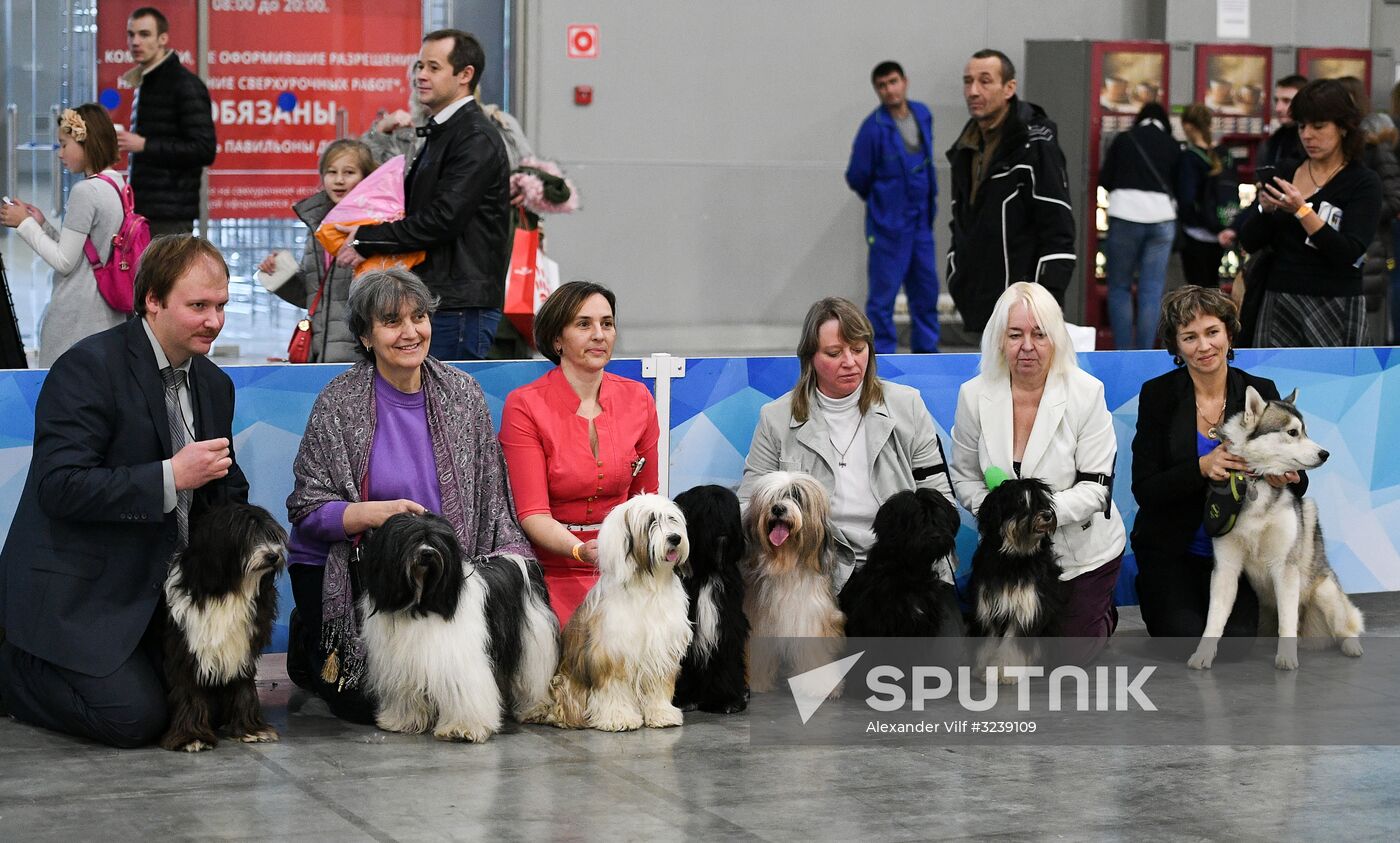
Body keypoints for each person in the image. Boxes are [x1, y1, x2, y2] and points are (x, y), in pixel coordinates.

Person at [0, 235, 247, 746]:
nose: (214, 321)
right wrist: (169, 476)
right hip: (81, 593)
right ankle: (13, 670)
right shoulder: (89, 367)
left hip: (159, 595)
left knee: (213, 710)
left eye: (221, 305)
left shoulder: (215, 384)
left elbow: (225, 487)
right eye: (198, 306)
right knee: (135, 720)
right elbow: (59, 487)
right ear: (152, 301)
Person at [284, 268, 531, 722]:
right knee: (367, 704)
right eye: (392, 321)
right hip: (359, 572)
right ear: (365, 336)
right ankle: (311, 635)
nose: (410, 332)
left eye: (419, 317)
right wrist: (368, 514)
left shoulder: (464, 395)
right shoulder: (337, 403)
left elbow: (495, 501)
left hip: (442, 570)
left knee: (456, 698)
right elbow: (306, 508)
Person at [738, 296, 955, 591]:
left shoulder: (908, 405)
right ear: (810, 359)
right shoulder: (775, 418)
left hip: (905, 568)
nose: (850, 362)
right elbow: (747, 506)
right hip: (814, 572)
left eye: (858, 349)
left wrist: (919, 553)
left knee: (945, 636)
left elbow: (939, 499)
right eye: (834, 353)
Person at [950, 282, 1125, 639]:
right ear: (1000, 340)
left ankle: (1101, 613)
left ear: (1056, 339)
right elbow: (964, 477)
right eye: (1015, 335)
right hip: (1007, 550)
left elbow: (1096, 489)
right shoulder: (973, 395)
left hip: (1078, 551)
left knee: (1060, 655)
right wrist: (1001, 514)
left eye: (1039, 334)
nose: (1027, 346)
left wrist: (1035, 514)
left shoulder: (1087, 393)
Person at [1131, 285, 1306, 638]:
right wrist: (1201, 467)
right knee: (1181, 636)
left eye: (1212, 332)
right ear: (1176, 346)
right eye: (1189, 337)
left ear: (1228, 332)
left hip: (1239, 555)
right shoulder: (1158, 395)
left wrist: (1284, 477)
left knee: (1238, 643)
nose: (1204, 346)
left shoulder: (1260, 390)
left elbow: (1299, 482)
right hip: (1173, 550)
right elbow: (1145, 490)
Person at [335, 30, 511, 362]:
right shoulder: (443, 131)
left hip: (460, 307)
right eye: (419, 66)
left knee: (452, 410)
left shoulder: (473, 136)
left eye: (433, 67)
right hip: (440, 301)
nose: (420, 75)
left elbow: (443, 218)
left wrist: (368, 238)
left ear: (465, 75)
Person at [498, 281, 659, 623]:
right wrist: (578, 549)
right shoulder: (524, 405)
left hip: (626, 569)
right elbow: (532, 515)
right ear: (557, 339)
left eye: (607, 323)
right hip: (549, 576)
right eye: (584, 324)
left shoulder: (640, 399)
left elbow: (647, 498)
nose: (599, 335)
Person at [1239, 78, 1383, 347]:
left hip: (1336, 302)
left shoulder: (1363, 181)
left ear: (1342, 128)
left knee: (1337, 387)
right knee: (1274, 386)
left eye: (1318, 127)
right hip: (1279, 298)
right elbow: (1249, 240)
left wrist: (1302, 210)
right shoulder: (1285, 171)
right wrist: (1265, 209)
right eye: (1302, 126)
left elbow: (1349, 251)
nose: (1307, 135)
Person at [946, 49, 1075, 333]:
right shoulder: (964, 150)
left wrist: (1043, 307)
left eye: (985, 81)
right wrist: (956, 275)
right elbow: (960, 225)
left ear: (1009, 88)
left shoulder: (1035, 145)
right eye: (968, 82)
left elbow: (1058, 233)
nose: (973, 91)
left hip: (1024, 318)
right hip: (978, 308)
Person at [1, 105, 127, 365]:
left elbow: (65, 262)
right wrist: (43, 225)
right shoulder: (116, 183)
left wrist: (24, 224)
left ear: (85, 142)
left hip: (77, 319)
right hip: (107, 317)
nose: (60, 153)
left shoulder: (86, 191)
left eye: (64, 144)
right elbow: (87, 250)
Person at [844, 60, 940, 354]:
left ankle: (927, 354)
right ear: (877, 90)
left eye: (893, 82)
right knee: (882, 299)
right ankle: (881, 358)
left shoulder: (922, 115)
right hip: (888, 228)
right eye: (882, 85)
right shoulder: (872, 130)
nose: (889, 90)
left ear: (905, 82)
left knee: (926, 292)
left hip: (920, 224)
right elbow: (857, 176)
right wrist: (885, 202)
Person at [259, 139, 378, 363]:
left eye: (349, 172)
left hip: (360, 355)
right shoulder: (317, 225)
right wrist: (278, 273)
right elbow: (313, 294)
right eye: (331, 172)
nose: (339, 180)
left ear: (366, 177)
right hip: (319, 355)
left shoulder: (378, 226)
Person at [117, 7, 216, 237]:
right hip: (145, 208)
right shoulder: (147, 81)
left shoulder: (184, 84)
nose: (135, 42)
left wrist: (144, 145)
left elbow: (204, 149)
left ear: (163, 39)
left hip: (171, 214)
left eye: (144, 34)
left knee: (167, 273)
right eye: (131, 34)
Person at [1100, 102, 1179, 349]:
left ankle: (1123, 351)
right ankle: (1145, 352)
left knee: (1119, 287)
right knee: (1151, 291)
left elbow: (1105, 179)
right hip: (1162, 219)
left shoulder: (1125, 139)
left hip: (1125, 215)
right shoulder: (1172, 143)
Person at [1175, 105, 1232, 288]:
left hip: (1196, 233)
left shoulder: (1189, 158)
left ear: (1188, 127)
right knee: (1213, 284)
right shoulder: (1224, 153)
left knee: (1196, 289)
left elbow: (1186, 199)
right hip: (1221, 230)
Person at [1359, 113, 1400, 344]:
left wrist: (1361, 211)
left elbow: (1394, 199)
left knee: (1376, 304)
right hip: (1375, 242)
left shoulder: (1378, 153)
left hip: (1375, 242)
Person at [1256, 74, 1308, 171]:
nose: (1278, 108)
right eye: (1276, 101)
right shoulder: (1271, 143)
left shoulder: (1313, 141)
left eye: (1287, 101)